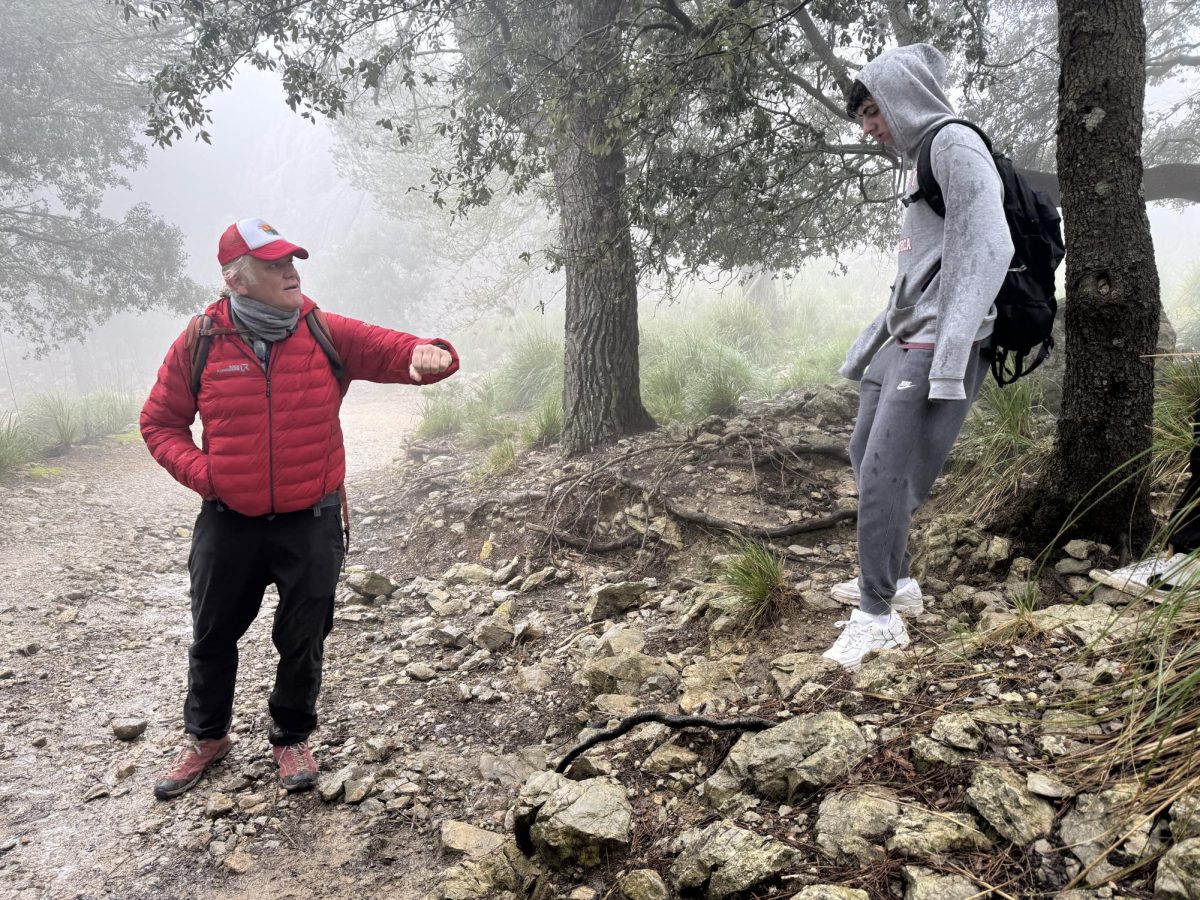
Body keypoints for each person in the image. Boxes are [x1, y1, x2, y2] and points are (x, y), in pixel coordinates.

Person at [141, 218, 459, 798]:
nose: (291, 272)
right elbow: (160, 422)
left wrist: (427, 353)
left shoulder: (320, 330)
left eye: (293, 261)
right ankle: (206, 738)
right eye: (274, 264)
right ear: (237, 279)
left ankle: (291, 736)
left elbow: (394, 349)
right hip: (227, 520)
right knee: (213, 633)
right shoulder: (202, 340)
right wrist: (206, 475)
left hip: (311, 518)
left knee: (304, 633)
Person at [822, 44, 1014, 669]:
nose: (870, 126)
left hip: (937, 342)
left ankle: (876, 615)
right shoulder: (920, 158)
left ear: (903, 98)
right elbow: (921, 269)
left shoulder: (953, 145)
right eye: (862, 118)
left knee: (886, 472)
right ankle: (898, 582)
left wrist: (952, 350)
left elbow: (990, 246)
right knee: (862, 451)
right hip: (905, 337)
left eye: (874, 111)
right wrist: (873, 339)